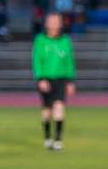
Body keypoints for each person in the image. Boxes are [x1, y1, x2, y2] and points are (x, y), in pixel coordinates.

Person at [32, 12, 76, 151]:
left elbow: (69, 61)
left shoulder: (65, 40)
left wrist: (70, 81)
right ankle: (47, 137)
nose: (53, 24)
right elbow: (37, 60)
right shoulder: (40, 40)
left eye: (56, 21)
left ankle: (57, 140)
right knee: (47, 110)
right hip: (46, 78)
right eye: (51, 21)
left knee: (59, 106)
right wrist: (40, 78)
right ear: (46, 23)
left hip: (61, 78)